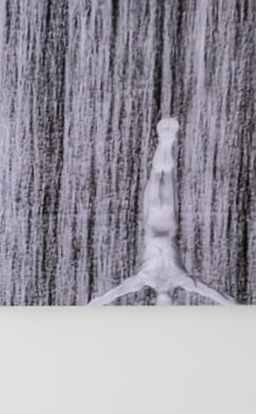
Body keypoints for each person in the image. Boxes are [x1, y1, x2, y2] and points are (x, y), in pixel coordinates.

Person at [92, 117, 232, 304]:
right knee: (167, 178)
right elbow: (211, 293)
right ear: (173, 302)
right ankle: (168, 142)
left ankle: (163, 142)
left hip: (151, 221)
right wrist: (232, 304)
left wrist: (92, 305)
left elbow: (115, 293)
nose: (164, 306)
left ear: (153, 302)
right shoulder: (182, 280)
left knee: (157, 175)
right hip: (168, 220)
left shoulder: (143, 279)